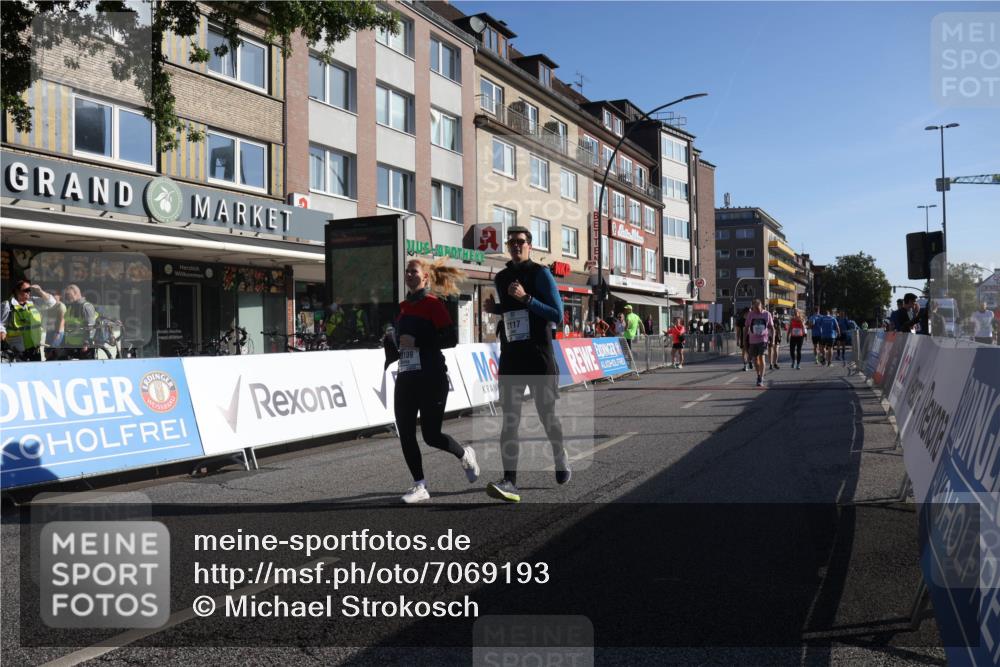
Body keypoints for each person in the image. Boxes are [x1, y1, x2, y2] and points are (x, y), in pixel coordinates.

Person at [483, 226, 568, 503]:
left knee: (547, 416)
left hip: (539, 356)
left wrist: (527, 298)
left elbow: (558, 315)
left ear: (530, 245)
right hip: (512, 356)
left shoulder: (540, 273)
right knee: (510, 421)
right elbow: (511, 312)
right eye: (512, 242)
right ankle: (510, 481)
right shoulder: (503, 276)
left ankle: (559, 454)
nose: (516, 246)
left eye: (521, 242)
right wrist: (496, 309)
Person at [389, 259, 479, 503]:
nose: (409, 274)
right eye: (407, 271)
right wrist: (391, 343)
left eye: (414, 271)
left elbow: (450, 339)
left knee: (431, 435)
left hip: (431, 376)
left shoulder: (433, 304)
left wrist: (418, 342)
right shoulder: (401, 308)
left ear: (425, 277)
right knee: (405, 433)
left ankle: (464, 454)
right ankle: (420, 486)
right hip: (407, 376)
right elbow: (399, 342)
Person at [0, 280, 56, 361]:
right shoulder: (7, 305)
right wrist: (2, 334)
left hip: (35, 348)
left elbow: (51, 303)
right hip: (17, 349)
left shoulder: (34, 301)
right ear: (17, 291)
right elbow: (1, 323)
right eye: (26, 290)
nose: (28, 292)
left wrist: (40, 291)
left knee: (35, 372)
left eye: (30, 290)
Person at [62, 284, 99, 359]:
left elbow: (90, 327)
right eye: (66, 295)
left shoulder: (86, 307)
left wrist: (86, 343)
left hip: (83, 347)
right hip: (70, 345)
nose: (67, 297)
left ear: (76, 293)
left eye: (69, 294)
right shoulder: (71, 307)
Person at [744, 300, 774, 387]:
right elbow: (746, 328)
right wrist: (744, 339)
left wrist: (772, 339)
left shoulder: (767, 314)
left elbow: (772, 328)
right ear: (753, 307)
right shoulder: (750, 314)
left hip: (763, 340)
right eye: (755, 308)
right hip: (753, 340)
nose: (757, 310)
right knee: (755, 360)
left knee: (762, 358)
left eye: (758, 308)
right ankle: (758, 375)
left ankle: (761, 378)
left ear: (762, 306)